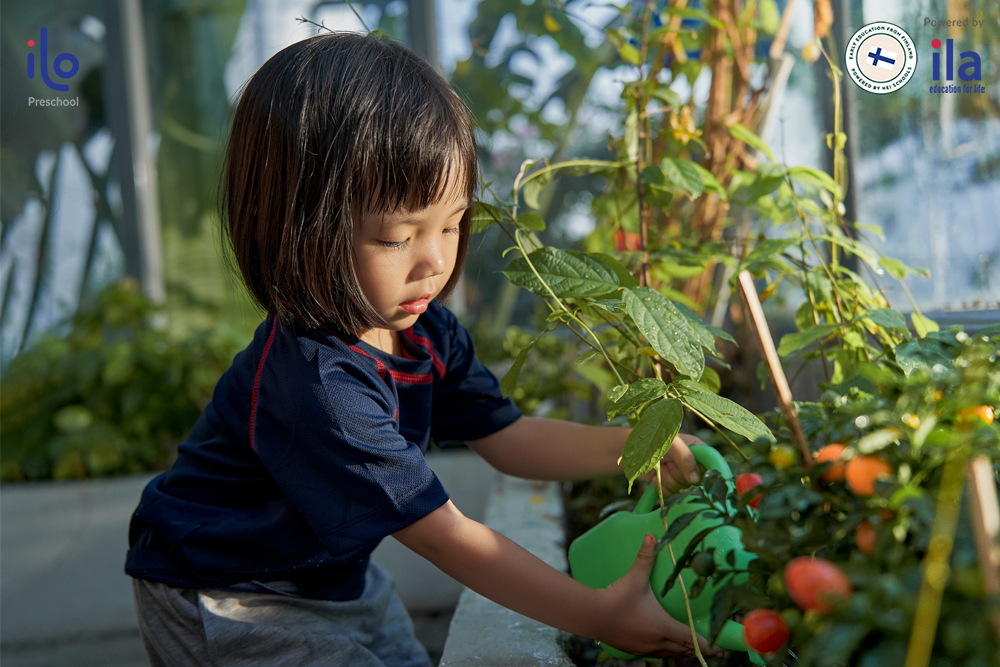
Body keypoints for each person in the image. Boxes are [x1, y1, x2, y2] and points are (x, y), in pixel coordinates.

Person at [125, 32, 721, 666]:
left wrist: (642, 450)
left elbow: (509, 438)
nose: (434, 261)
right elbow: (445, 537)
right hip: (224, 591)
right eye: (394, 237)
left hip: (329, 575)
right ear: (296, 229)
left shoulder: (424, 332)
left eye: (451, 222)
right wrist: (598, 615)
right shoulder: (315, 384)